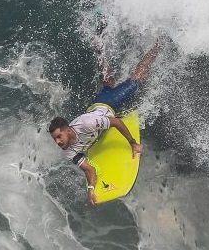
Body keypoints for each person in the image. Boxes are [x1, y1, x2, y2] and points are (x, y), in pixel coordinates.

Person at [48, 41, 160, 205]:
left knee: (137, 80)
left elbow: (116, 123)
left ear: (68, 130)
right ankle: (99, 46)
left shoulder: (87, 124)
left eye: (59, 136)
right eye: (55, 139)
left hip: (110, 103)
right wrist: (91, 189)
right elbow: (89, 169)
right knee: (108, 82)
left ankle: (156, 46)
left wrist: (133, 143)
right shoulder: (68, 151)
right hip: (95, 107)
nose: (58, 142)